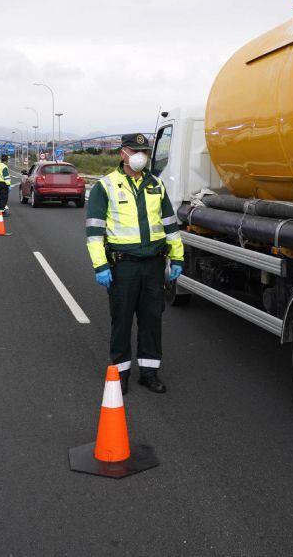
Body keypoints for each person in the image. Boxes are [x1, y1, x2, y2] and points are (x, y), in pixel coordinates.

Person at [85, 133, 184, 394]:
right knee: (122, 320)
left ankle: (149, 372)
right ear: (122, 153)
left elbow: (171, 226)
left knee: (152, 320)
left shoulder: (156, 185)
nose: (141, 156)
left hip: (153, 265)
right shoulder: (105, 186)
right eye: (134, 150)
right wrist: (101, 266)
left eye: (145, 151)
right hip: (123, 266)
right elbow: (94, 232)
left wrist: (177, 257)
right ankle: (121, 374)